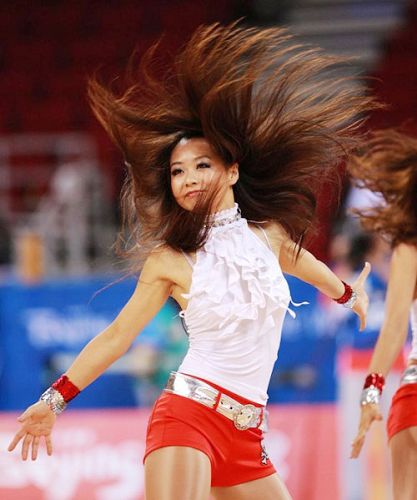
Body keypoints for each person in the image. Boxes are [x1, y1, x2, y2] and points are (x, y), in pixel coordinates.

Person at [8, 23, 374, 500]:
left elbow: (321, 276)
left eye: (202, 165)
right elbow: (117, 336)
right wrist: (53, 401)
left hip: (248, 435)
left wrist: (351, 294)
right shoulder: (170, 260)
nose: (189, 179)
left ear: (232, 169)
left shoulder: (270, 239)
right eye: (178, 172)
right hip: (188, 417)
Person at [349, 130, 417, 500]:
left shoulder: (409, 246)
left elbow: (393, 327)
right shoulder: (410, 246)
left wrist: (370, 397)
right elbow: (392, 327)